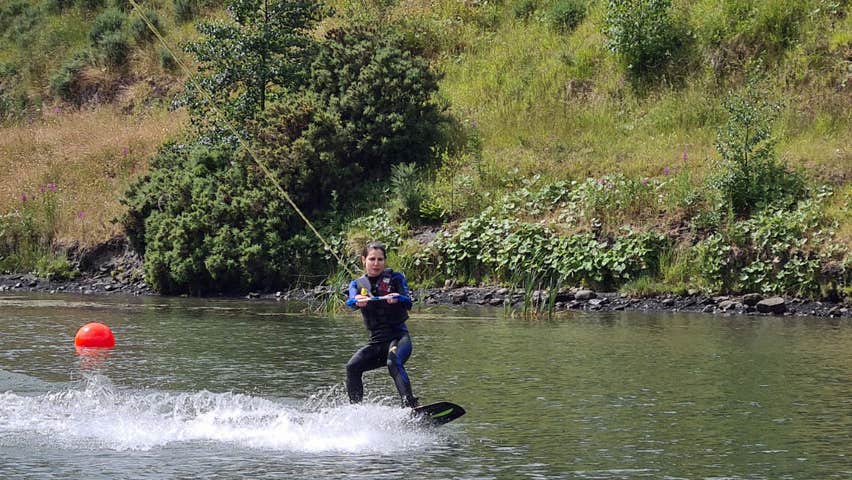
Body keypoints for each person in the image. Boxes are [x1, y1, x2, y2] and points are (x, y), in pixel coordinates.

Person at [344, 241, 418, 408]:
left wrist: (397, 297)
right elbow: (350, 301)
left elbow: (408, 302)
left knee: (393, 362)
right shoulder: (357, 284)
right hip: (377, 344)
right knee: (352, 367)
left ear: (385, 261)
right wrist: (356, 300)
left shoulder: (396, 278)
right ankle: (356, 411)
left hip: (398, 339)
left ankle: (410, 406)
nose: (376, 263)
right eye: (372, 259)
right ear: (364, 260)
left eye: (380, 259)